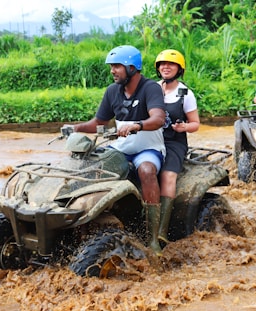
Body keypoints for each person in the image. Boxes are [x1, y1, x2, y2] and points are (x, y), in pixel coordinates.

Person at [69, 45, 166, 255]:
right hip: (119, 148)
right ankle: (82, 227)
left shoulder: (151, 88)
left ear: (132, 67)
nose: (112, 70)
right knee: (93, 168)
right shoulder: (112, 91)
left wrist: (137, 125)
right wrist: (77, 128)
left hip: (147, 148)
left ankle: (152, 239)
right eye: (111, 66)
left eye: (117, 66)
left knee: (147, 171)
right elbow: (98, 122)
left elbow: (158, 118)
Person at [154, 49, 200, 244]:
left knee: (168, 175)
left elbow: (196, 124)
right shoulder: (151, 88)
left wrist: (184, 127)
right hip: (151, 139)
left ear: (179, 69)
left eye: (171, 64)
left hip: (174, 142)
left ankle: (161, 230)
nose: (166, 67)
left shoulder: (186, 94)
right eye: (162, 64)